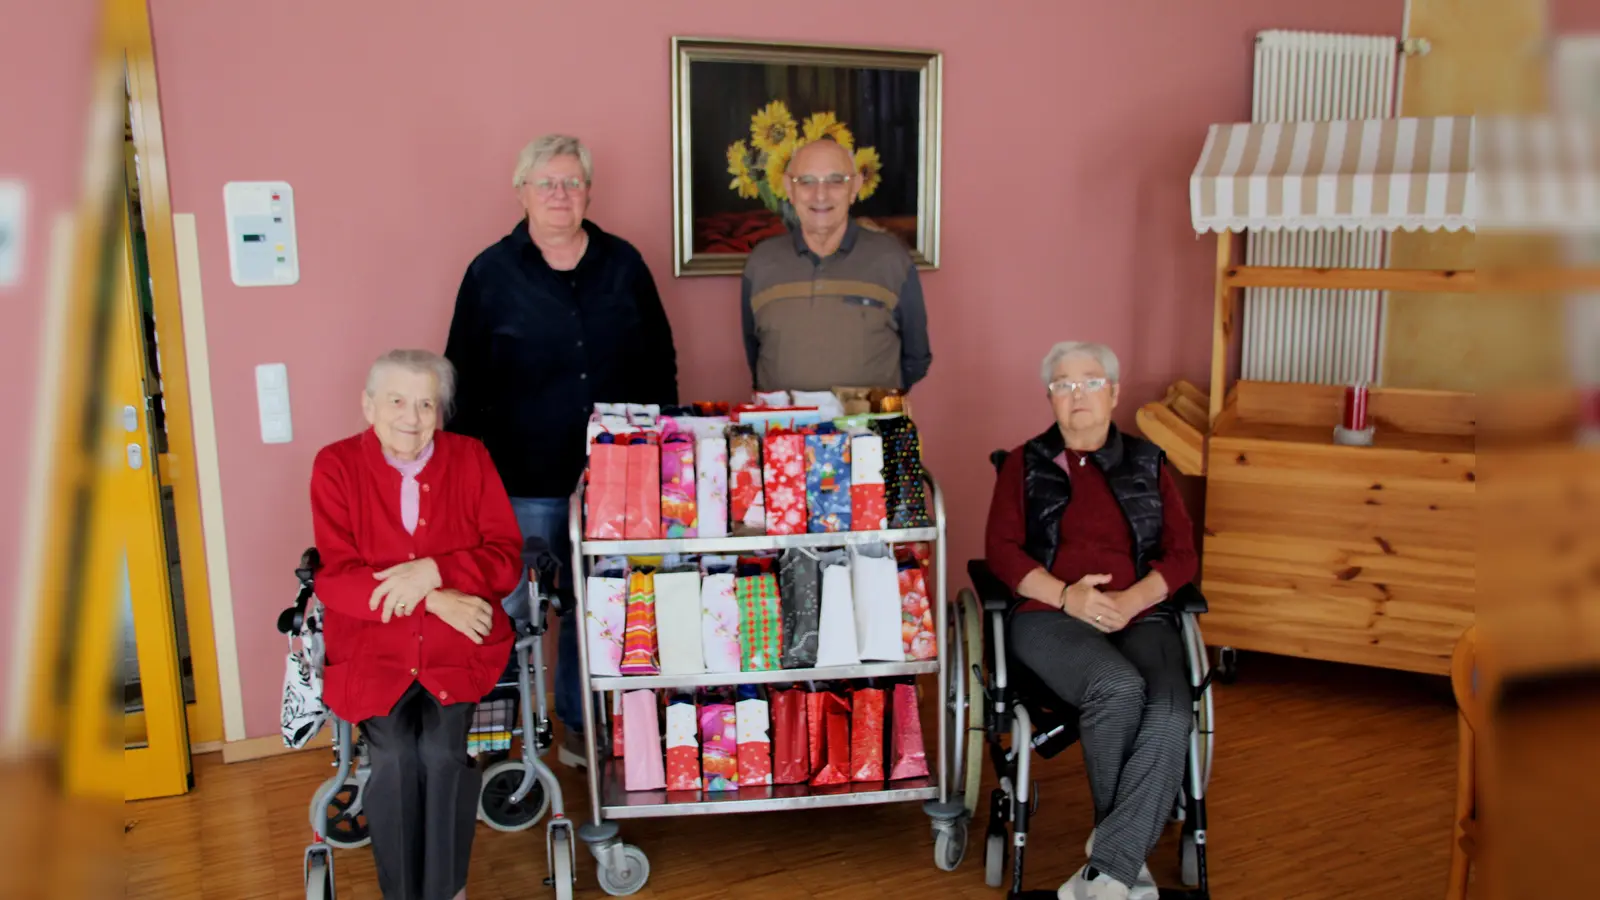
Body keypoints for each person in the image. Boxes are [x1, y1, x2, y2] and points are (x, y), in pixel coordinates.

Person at [443, 134, 677, 767]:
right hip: (516, 480)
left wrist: (660, 456)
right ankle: (500, 735)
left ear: (589, 192)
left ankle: (580, 727)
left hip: (612, 482)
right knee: (505, 610)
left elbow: (661, 366)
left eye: (572, 183)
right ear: (521, 191)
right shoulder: (489, 273)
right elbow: (458, 381)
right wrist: (465, 484)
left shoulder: (624, 265)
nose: (559, 194)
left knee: (592, 608)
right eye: (546, 182)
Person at [984, 341, 1199, 900]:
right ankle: (1126, 866)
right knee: (1118, 688)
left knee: (1173, 709)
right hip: (1048, 617)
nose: (1076, 394)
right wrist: (1065, 597)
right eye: (1062, 384)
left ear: (1114, 392)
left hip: (1140, 614)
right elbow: (1002, 552)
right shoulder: (1022, 463)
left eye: (1089, 381)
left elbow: (1182, 556)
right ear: (1049, 397)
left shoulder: (1149, 463)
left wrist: (1134, 600)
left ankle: (1108, 869)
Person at [309, 349, 523, 900]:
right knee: (396, 758)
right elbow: (337, 579)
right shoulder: (335, 465)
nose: (412, 416)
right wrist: (436, 598)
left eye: (426, 403)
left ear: (441, 411)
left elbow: (504, 558)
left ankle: (447, 891)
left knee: (441, 755)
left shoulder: (471, 458)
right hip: (373, 649)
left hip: (458, 648)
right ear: (368, 406)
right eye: (397, 401)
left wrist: (434, 570)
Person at [739, 136, 932, 394]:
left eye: (835, 181)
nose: (821, 194)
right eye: (807, 181)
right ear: (789, 188)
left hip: (868, 431)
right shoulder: (761, 263)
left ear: (855, 187)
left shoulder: (891, 259)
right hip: (784, 430)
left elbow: (916, 359)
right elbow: (756, 353)